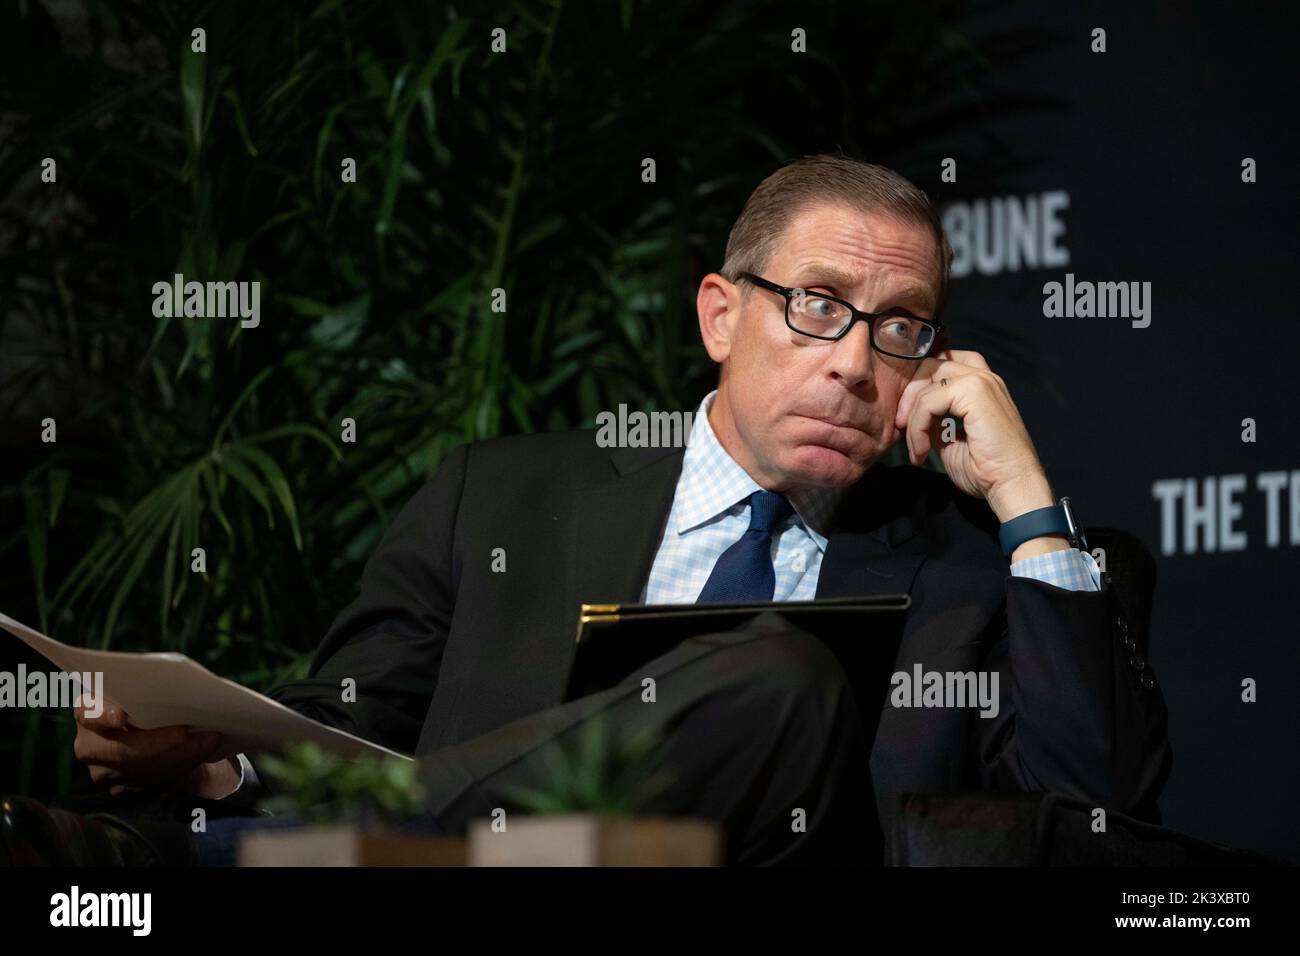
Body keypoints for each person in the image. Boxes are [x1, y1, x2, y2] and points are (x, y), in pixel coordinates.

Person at [61, 153, 1170, 865]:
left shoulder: (974, 572)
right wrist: (215, 764)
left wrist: (1026, 503)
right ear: (720, 316)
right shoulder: (499, 500)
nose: (853, 365)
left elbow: (1095, 823)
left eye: (900, 327)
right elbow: (346, 716)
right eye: (819, 306)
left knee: (782, 673)